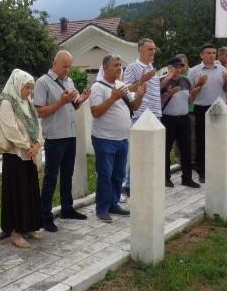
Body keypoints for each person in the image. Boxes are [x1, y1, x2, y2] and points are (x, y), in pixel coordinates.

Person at [34, 50, 90, 232]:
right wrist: (61, 102)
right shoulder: (42, 82)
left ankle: (67, 208)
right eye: (65, 66)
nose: (68, 70)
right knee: (51, 177)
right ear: (55, 63)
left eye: (69, 66)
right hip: (55, 137)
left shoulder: (69, 81)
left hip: (70, 134)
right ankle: (45, 215)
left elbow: (71, 105)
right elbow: (40, 111)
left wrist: (80, 100)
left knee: (67, 174)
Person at [89, 55, 145, 223]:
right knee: (105, 175)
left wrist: (140, 95)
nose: (119, 68)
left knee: (118, 174)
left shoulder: (121, 85)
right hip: (104, 139)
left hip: (122, 139)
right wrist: (112, 98)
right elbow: (96, 112)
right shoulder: (97, 88)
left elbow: (134, 106)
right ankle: (102, 208)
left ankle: (113, 203)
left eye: (120, 65)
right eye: (115, 65)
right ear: (105, 68)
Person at [0, 69, 44, 248]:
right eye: (27, 87)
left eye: (31, 88)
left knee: (29, 192)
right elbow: (10, 130)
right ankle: (16, 232)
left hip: (29, 154)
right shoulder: (6, 103)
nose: (29, 91)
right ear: (18, 85)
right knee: (17, 193)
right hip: (15, 156)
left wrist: (38, 144)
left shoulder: (28, 102)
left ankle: (29, 226)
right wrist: (28, 147)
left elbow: (37, 125)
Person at [120, 38, 161, 200]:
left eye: (154, 49)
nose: (153, 52)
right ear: (141, 50)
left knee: (151, 153)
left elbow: (154, 91)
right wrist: (143, 79)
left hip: (155, 113)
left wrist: (168, 78)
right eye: (150, 49)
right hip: (141, 114)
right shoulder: (132, 67)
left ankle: (145, 182)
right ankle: (129, 185)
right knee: (138, 153)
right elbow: (126, 89)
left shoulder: (151, 68)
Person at [188, 44, 227, 183]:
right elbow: (190, 92)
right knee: (201, 140)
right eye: (208, 53)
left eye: (213, 53)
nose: (211, 55)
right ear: (201, 55)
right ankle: (202, 171)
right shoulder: (194, 71)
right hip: (202, 108)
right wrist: (199, 83)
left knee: (219, 139)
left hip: (219, 108)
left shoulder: (222, 69)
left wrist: (225, 82)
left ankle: (218, 168)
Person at [160, 57, 201, 188]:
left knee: (186, 148)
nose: (179, 69)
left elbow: (188, 101)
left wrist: (193, 94)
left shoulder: (185, 81)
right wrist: (169, 93)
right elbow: (157, 102)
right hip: (168, 119)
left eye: (181, 67)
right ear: (169, 68)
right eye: (176, 67)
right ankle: (165, 177)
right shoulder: (162, 81)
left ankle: (187, 178)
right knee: (166, 149)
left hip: (184, 118)